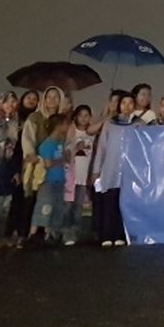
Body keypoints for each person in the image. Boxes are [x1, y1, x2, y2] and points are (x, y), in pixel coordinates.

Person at [93, 92, 135, 246]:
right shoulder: (109, 124)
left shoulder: (138, 124)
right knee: (108, 203)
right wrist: (96, 170)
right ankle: (106, 235)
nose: (127, 106)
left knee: (122, 204)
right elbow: (102, 148)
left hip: (128, 171)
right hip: (109, 170)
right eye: (124, 103)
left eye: (131, 103)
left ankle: (120, 234)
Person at [30, 113, 71, 246]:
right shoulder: (47, 144)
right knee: (44, 206)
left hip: (59, 179)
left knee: (57, 207)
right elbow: (48, 164)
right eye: (65, 124)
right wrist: (62, 159)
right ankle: (34, 233)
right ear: (58, 126)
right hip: (48, 181)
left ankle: (51, 234)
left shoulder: (60, 142)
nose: (67, 127)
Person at [0, 92, 21, 248]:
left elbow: (16, 150)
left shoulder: (16, 123)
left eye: (13, 102)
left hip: (7, 169)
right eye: (7, 102)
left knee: (3, 206)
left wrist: (16, 171)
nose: (10, 105)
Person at [65, 104, 94, 244]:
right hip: (71, 176)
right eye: (80, 115)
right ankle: (66, 233)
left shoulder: (92, 133)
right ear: (75, 117)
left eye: (86, 115)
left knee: (78, 206)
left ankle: (75, 232)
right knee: (67, 206)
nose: (83, 118)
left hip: (84, 176)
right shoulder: (72, 131)